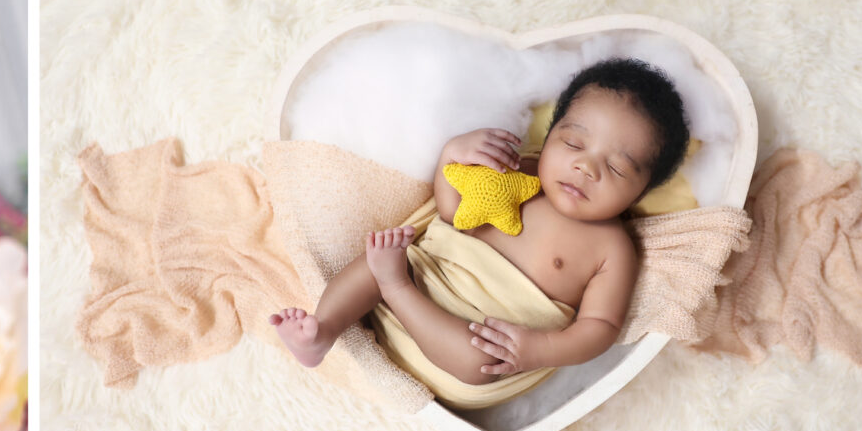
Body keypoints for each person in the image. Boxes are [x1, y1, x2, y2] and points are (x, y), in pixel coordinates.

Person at [271, 58, 689, 407]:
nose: (587, 167)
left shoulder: (612, 248)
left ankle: (393, 285)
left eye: (616, 168)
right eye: (574, 144)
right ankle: (321, 331)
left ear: (642, 189)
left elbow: (599, 327)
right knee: (382, 253)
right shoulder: (519, 169)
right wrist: (453, 156)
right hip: (422, 284)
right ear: (551, 134)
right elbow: (453, 216)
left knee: (480, 358)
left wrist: (537, 350)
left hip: (466, 357)